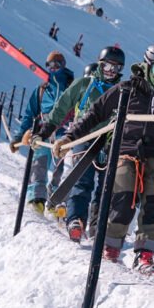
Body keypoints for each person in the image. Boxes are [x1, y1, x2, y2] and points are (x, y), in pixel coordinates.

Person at [54, 44, 154, 272]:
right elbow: (96, 113)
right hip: (127, 150)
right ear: (148, 66)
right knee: (122, 198)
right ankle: (110, 247)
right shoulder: (127, 89)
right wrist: (70, 137)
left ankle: (146, 254)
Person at [41, 46, 126, 241]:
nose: (111, 72)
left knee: (106, 187)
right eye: (107, 66)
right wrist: (47, 129)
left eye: (116, 68)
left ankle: (98, 228)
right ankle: (76, 220)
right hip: (85, 137)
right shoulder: (85, 84)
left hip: (110, 142)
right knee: (81, 180)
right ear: (99, 64)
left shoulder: (122, 91)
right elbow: (62, 106)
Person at [11, 50, 75, 212]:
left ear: (63, 65)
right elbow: (29, 113)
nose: (53, 68)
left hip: (62, 132)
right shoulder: (42, 90)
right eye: (50, 65)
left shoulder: (71, 88)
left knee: (59, 167)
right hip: (43, 131)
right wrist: (19, 135)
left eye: (57, 65)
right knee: (39, 162)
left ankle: (56, 200)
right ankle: (37, 198)